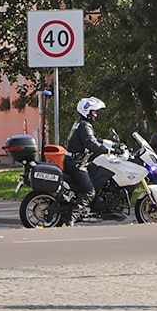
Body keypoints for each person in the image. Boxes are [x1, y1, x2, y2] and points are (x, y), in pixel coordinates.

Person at [62, 97, 111, 227]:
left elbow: (92, 139)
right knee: (89, 192)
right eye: (94, 112)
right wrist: (105, 150)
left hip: (74, 160)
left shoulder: (81, 123)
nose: (96, 114)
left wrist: (110, 145)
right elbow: (89, 142)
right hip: (76, 164)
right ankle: (70, 216)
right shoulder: (84, 125)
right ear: (87, 111)